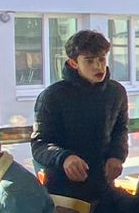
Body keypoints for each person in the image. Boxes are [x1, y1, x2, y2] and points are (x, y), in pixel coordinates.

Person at [32, 29, 130, 197]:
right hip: (63, 186)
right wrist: (64, 158)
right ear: (73, 63)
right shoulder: (52, 96)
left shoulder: (116, 92)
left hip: (103, 183)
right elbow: (40, 144)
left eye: (101, 59)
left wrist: (117, 156)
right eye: (89, 61)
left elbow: (120, 130)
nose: (98, 66)